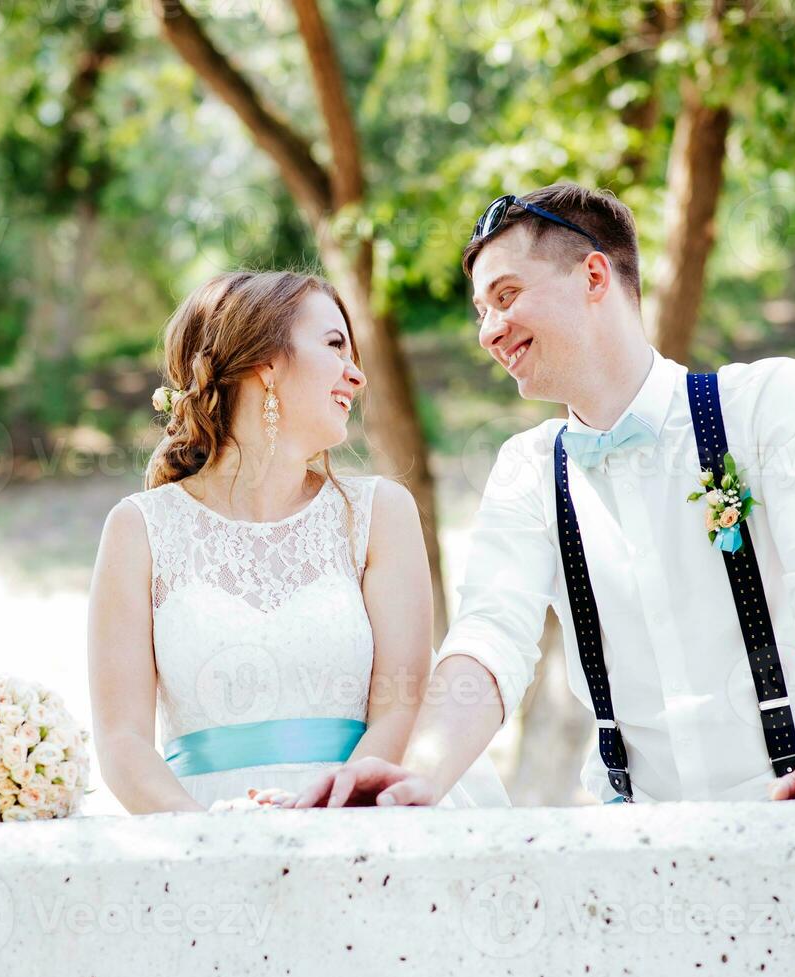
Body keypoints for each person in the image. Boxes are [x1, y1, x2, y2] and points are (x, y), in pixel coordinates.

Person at [293, 183, 795, 809]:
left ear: (594, 275)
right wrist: (421, 774)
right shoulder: (527, 468)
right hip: (632, 845)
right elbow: (491, 636)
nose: (488, 333)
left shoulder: (768, 403)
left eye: (507, 296)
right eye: (480, 312)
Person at [87, 269, 507, 812]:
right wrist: (207, 839)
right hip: (198, 829)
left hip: (358, 820)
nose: (356, 376)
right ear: (265, 362)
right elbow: (122, 743)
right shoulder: (138, 529)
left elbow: (400, 708)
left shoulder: (379, 514)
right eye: (335, 346)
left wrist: (327, 818)